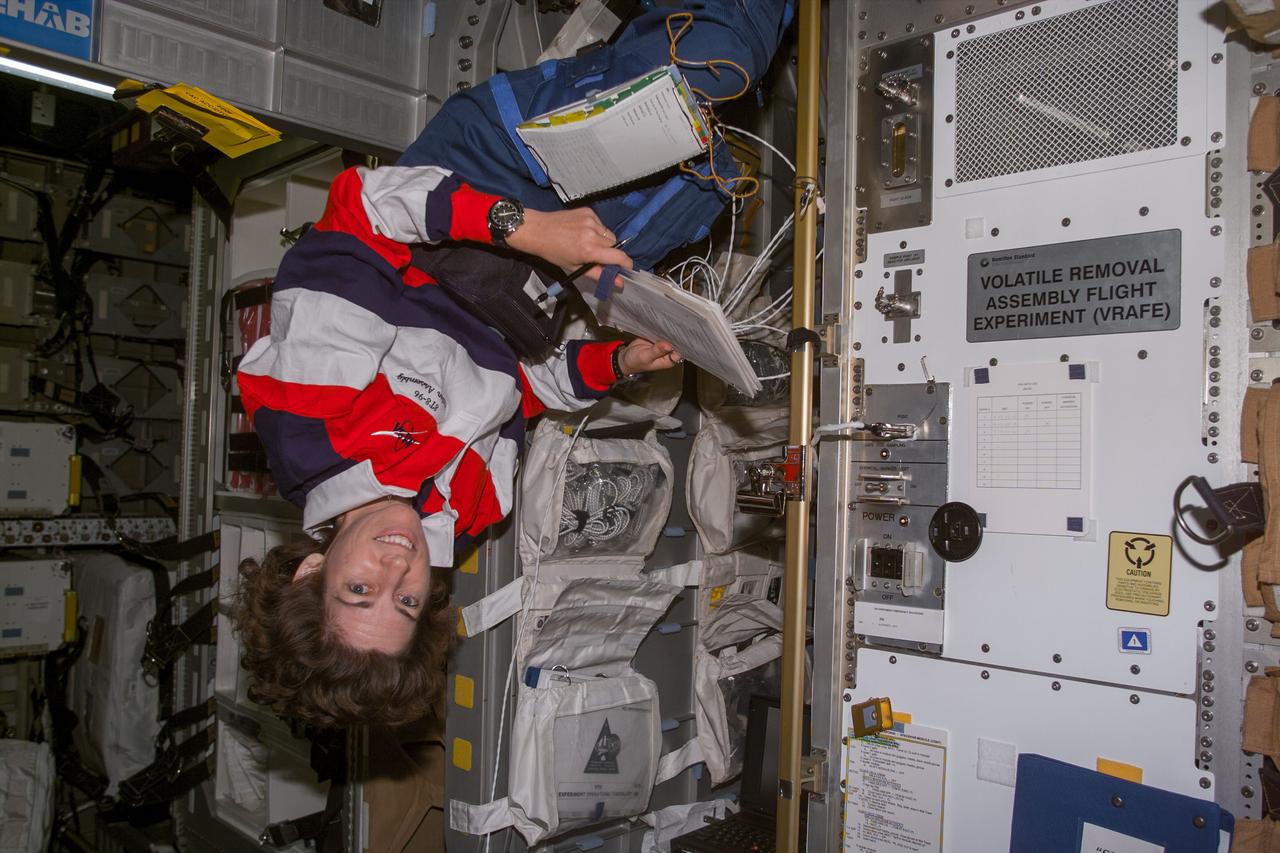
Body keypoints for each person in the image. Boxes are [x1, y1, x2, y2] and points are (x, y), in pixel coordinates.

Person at [232, 0, 794, 729]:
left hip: (480, 178)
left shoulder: (312, 420)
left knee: (708, 72)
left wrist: (528, 228)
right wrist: (620, 359)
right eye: (404, 601)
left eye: (361, 590)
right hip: (535, 281)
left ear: (313, 572)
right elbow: (526, 385)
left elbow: (364, 208)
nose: (397, 569)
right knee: (706, 177)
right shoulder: (465, 516)